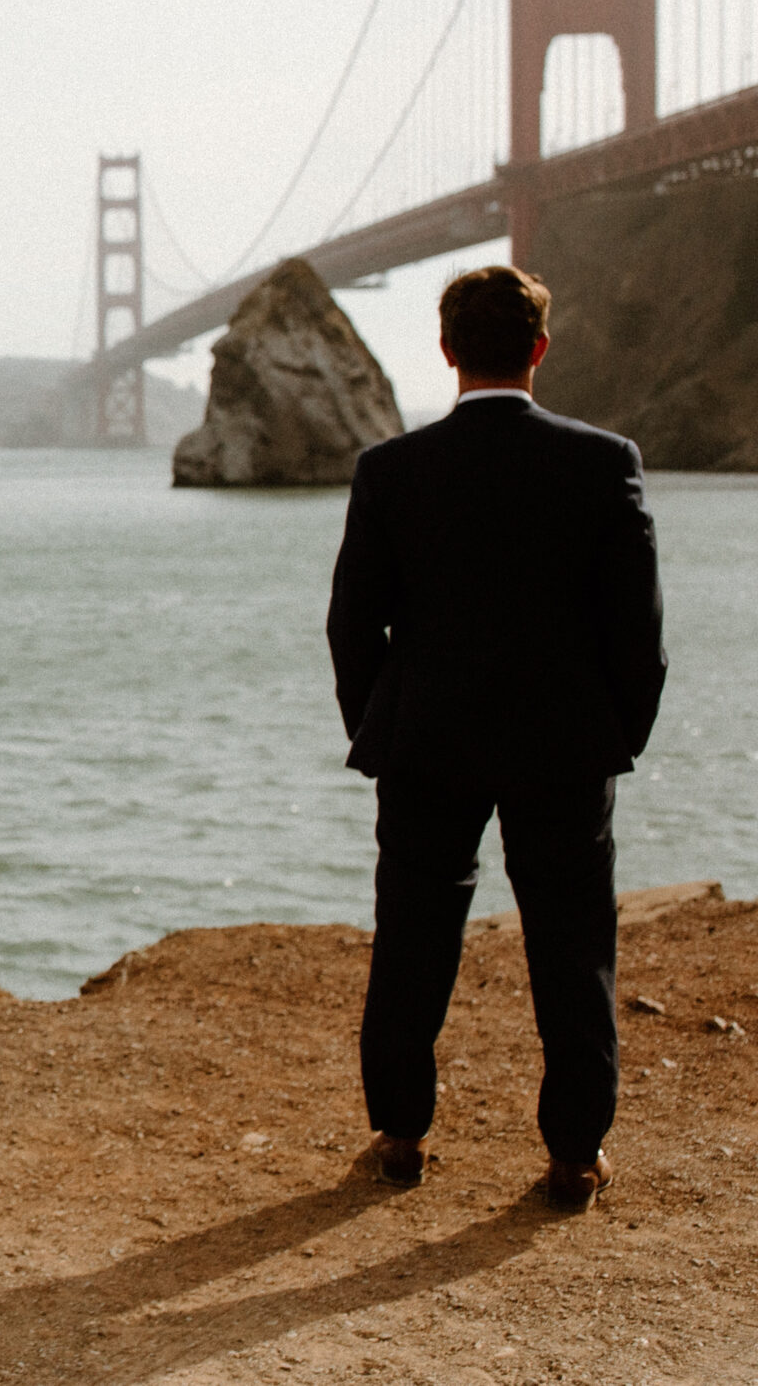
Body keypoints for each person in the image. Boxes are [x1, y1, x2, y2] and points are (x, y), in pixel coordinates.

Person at [326, 263, 665, 1214]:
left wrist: (381, 727)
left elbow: (353, 625)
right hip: (565, 743)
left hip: (427, 740)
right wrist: (614, 734)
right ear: (540, 350)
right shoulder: (606, 462)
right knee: (572, 942)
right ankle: (573, 1155)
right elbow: (639, 630)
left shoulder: (390, 471)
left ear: (445, 351)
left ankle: (400, 1133)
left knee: (413, 937)